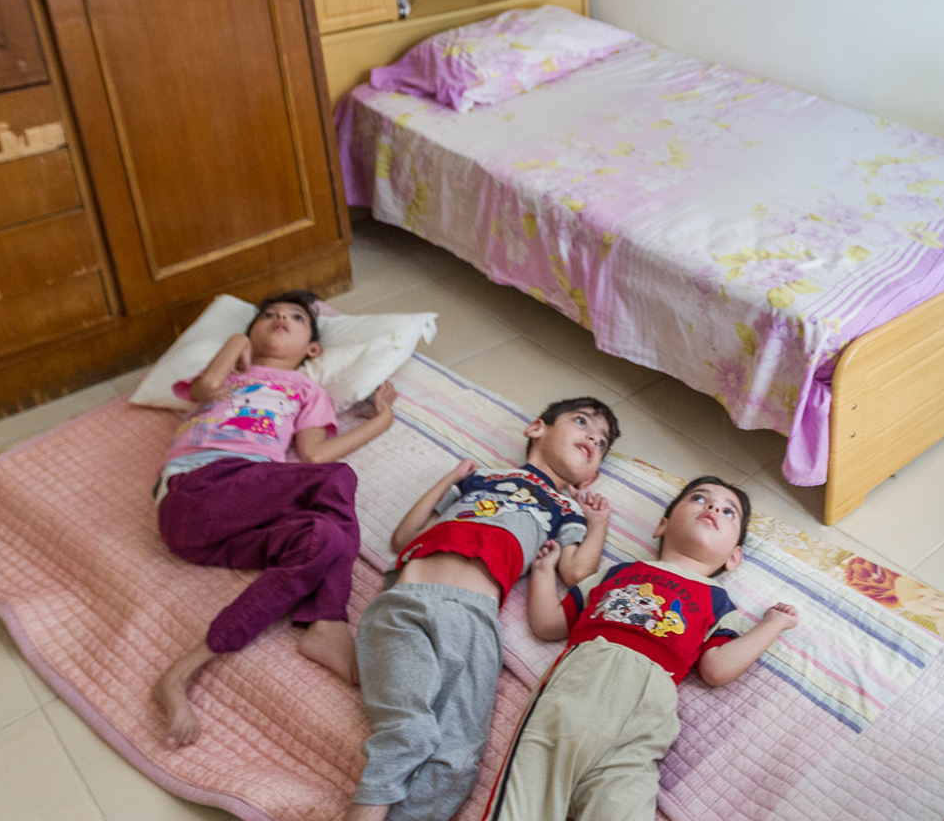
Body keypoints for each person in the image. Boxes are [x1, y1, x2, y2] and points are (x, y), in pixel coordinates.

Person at [345, 398, 619, 821]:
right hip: (408, 601)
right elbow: (404, 538)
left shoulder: (565, 509)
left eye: (600, 443)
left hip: (475, 621)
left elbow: (576, 570)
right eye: (581, 422)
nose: (590, 438)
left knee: (457, 760)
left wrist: (597, 524)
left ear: (592, 475)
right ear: (536, 428)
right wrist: (450, 479)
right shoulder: (484, 478)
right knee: (409, 731)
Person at [152, 290, 399, 748]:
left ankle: (179, 673)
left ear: (313, 348)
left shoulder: (308, 390)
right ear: (251, 331)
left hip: (216, 530)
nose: (280, 319)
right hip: (195, 490)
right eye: (268, 315)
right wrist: (233, 344)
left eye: (295, 318)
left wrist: (379, 422)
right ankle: (328, 618)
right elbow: (205, 389)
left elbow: (315, 454)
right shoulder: (229, 372)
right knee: (337, 480)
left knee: (321, 537)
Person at [482, 475, 798, 821]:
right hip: (579, 689)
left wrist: (771, 625)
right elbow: (547, 624)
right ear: (662, 525)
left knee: (624, 806)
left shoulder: (720, 603)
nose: (712, 507)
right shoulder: (618, 573)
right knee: (527, 793)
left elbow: (717, 668)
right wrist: (543, 571)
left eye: (728, 511)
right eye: (699, 498)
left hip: (643, 726)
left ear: (734, 557)